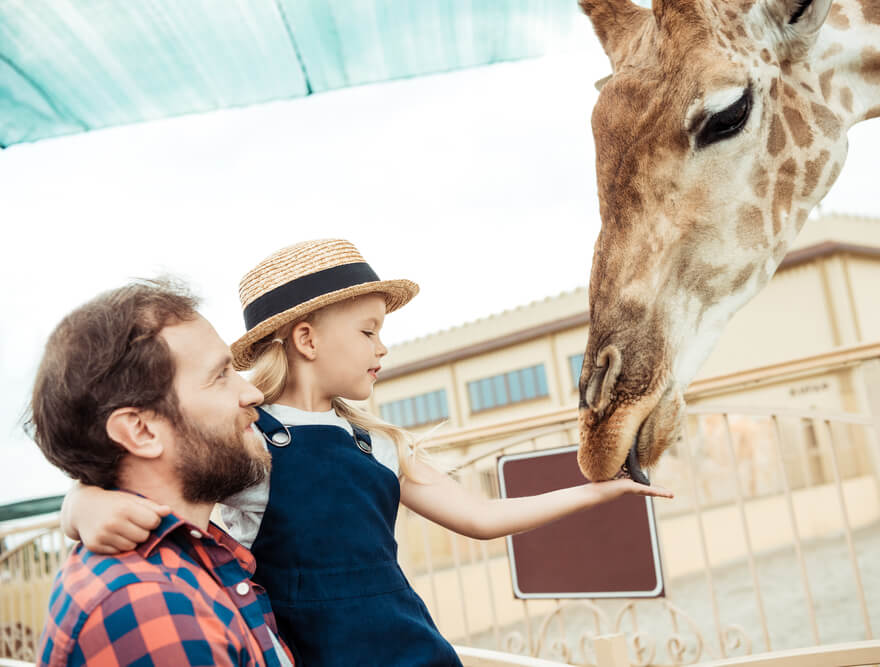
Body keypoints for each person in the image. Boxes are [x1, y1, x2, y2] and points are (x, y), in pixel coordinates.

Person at [63, 239, 673, 666]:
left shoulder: (376, 442)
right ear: (306, 339)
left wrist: (600, 489)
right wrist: (81, 503)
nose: (383, 346)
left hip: (410, 648)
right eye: (368, 330)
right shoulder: (247, 437)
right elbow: (151, 481)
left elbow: (485, 519)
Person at [28, 280, 293, 666]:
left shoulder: (195, 565)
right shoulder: (151, 605)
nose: (253, 394)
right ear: (141, 431)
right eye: (220, 376)